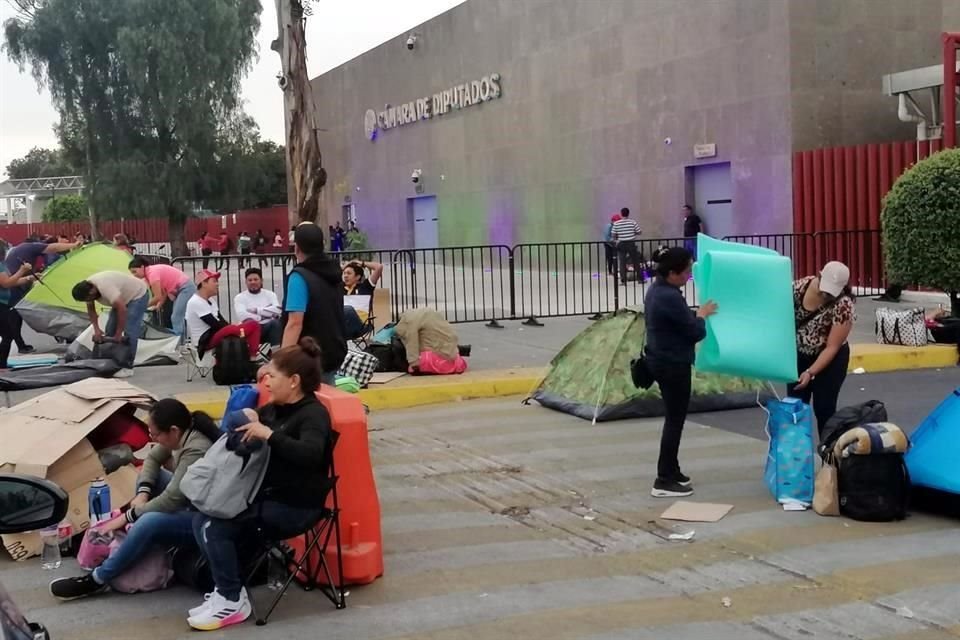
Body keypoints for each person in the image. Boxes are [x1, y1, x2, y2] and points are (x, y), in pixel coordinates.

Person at [187, 338, 333, 631]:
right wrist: (248, 420)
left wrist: (268, 434)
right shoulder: (276, 408)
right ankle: (227, 589)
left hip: (296, 505)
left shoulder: (313, 414)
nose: (266, 383)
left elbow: (310, 453)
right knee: (200, 517)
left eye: (272, 377)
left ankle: (231, 599)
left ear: (293, 381)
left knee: (214, 527)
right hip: (263, 496)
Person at [49, 399, 219, 600]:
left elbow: (172, 499)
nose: (151, 439)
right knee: (148, 479)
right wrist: (142, 494)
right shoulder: (182, 434)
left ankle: (97, 579)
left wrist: (128, 516)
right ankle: (119, 541)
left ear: (173, 430)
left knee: (148, 521)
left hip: (206, 518)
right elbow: (152, 459)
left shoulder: (195, 448)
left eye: (155, 434)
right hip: (190, 503)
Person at [644, 247, 717, 498]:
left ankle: (672, 470)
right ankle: (663, 479)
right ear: (673, 272)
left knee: (674, 419)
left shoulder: (659, 290)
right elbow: (694, 331)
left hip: (661, 360)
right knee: (675, 421)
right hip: (672, 364)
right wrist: (701, 316)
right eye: (686, 271)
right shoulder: (669, 297)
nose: (689, 275)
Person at [787, 261, 856, 436]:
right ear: (818, 275)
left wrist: (810, 372)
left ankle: (829, 457)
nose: (827, 295)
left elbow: (832, 348)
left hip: (830, 359)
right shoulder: (797, 288)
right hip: (800, 353)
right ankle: (796, 458)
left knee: (824, 408)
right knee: (795, 408)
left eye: (832, 291)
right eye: (825, 289)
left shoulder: (844, 305)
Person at [281, 223, 346, 384]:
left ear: (296, 248)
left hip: (308, 357)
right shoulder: (334, 272)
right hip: (334, 350)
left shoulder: (299, 277)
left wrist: (281, 363)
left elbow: (295, 323)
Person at [5, 236, 80, 353]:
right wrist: (74, 245)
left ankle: (20, 345)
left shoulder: (18, 249)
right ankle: (19, 346)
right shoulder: (30, 247)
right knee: (14, 317)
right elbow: (53, 247)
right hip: (14, 287)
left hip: (15, 285)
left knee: (14, 317)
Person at [71, 271, 150, 377]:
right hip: (123, 298)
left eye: (89, 298)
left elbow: (122, 310)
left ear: (92, 291)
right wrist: (97, 330)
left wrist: (119, 333)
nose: (90, 300)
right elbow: (91, 311)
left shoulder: (105, 287)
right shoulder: (87, 289)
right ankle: (110, 363)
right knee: (110, 329)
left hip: (138, 295)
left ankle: (127, 367)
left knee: (130, 331)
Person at [185, 270, 261, 360]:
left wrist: (236, 328)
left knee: (251, 324)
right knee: (247, 326)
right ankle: (251, 356)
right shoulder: (196, 301)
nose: (217, 284)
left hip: (213, 335)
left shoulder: (211, 301)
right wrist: (235, 329)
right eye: (214, 281)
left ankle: (252, 356)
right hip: (204, 340)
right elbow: (215, 324)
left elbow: (221, 321)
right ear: (204, 283)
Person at [128, 256, 195, 337]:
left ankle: (179, 342)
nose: (134, 275)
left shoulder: (152, 274)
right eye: (132, 273)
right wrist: (158, 305)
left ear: (142, 267)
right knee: (178, 317)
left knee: (176, 317)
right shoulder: (149, 274)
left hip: (185, 288)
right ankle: (181, 340)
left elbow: (157, 296)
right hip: (181, 288)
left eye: (135, 272)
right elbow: (163, 293)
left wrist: (142, 307)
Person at [0, 259, 35, 369]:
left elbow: (11, 281)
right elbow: (6, 283)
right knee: (7, 335)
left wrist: (28, 278)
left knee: (7, 335)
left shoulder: (2, 264)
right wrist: (22, 270)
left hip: (3, 303)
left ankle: (2, 365)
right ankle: (1, 365)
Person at [234, 268, 282, 346]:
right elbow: (241, 315)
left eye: (256, 279)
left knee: (275, 323)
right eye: (250, 280)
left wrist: (256, 310)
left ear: (261, 281)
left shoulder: (270, 294)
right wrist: (264, 315)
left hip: (268, 328)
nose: (253, 282)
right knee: (249, 322)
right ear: (246, 282)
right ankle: (251, 355)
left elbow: (277, 311)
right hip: (250, 330)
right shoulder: (240, 297)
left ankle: (275, 354)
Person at [341, 260, 383, 338]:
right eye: (344, 273)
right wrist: (345, 266)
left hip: (360, 324)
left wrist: (362, 263)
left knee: (348, 309)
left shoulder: (366, 287)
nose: (345, 276)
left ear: (358, 277)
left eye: (349, 273)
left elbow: (379, 267)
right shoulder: (341, 288)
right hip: (342, 322)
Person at [612, 207, 642, 285]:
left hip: (621, 243)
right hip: (631, 243)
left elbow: (613, 234)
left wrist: (617, 239)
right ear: (628, 213)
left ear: (621, 214)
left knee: (622, 262)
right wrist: (633, 233)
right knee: (636, 261)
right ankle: (640, 279)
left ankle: (623, 280)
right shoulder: (633, 222)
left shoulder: (616, 223)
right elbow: (639, 232)